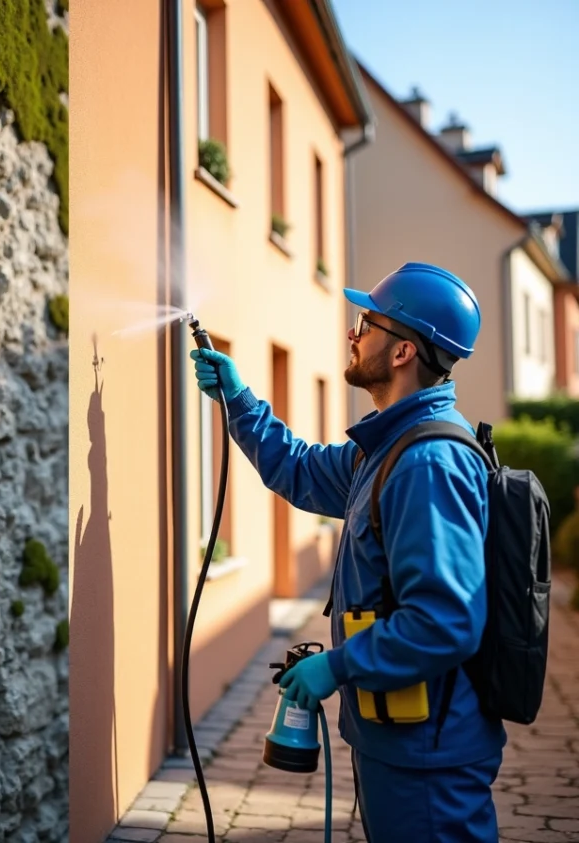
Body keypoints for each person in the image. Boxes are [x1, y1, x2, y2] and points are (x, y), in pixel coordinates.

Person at [190, 262, 506, 843]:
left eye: (367, 321)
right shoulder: (384, 449)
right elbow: (300, 469)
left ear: (404, 351)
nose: (353, 333)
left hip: (427, 755)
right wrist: (237, 399)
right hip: (397, 737)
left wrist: (335, 667)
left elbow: (445, 622)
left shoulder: (425, 463)